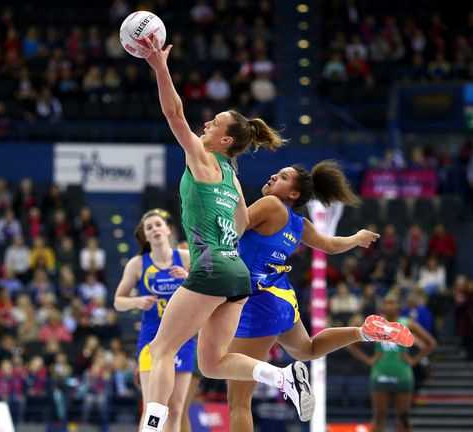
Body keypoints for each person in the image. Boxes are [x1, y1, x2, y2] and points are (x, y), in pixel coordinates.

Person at [137, 36, 308, 431]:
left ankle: (151, 426)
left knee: (161, 349)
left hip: (214, 268)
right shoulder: (231, 173)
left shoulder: (203, 157)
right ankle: (283, 377)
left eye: (213, 124)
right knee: (211, 363)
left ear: (224, 140)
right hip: (235, 273)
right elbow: (242, 223)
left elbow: (173, 114)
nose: (206, 125)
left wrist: (160, 67)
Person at [227, 160, 415, 431]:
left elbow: (234, 226)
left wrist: (227, 178)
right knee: (307, 349)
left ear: (293, 194)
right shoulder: (299, 224)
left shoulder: (269, 205)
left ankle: (285, 377)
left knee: (239, 402)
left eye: (281, 176)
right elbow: (329, 245)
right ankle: (366, 332)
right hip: (282, 299)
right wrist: (355, 238)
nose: (272, 175)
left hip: (257, 302)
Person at [114, 209, 193, 432]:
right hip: (151, 339)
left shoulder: (186, 258)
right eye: (149, 228)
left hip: (183, 338)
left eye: (158, 225)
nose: (155, 229)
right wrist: (136, 301)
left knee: (176, 409)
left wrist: (188, 278)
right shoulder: (137, 264)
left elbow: (210, 289)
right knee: (153, 408)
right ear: (145, 236)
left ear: (168, 229)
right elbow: (118, 301)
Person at [348, 294, 437, 432]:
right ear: (383, 306)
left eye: (392, 302)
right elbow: (351, 344)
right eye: (387, 303)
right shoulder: (375, 325)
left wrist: (414, 360)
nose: (389, 305)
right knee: (379, 416)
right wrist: (369, 360)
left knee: (404, 418)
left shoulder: (407, 323)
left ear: (398, 307)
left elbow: (431, 344)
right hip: (380, 373)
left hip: (402, 374)